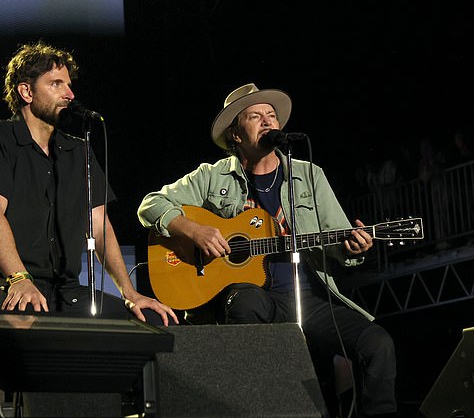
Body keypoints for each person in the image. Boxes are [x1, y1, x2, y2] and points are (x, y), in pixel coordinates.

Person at [137, 84, 396, 416]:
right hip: (253, 297)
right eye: (255, 116)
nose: (267, 121)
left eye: (271, 115)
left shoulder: (309, 175)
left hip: (310, 299)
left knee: (378, 345)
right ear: (235, 135)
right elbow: (150, 205)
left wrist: (355, 247)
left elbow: (338, 241)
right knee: (245, 303)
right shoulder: (213, 176)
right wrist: (193, 229)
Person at [0, 42, 177, 326]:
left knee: (150, 320)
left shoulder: (78, 151)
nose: (69, 94)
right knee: (27, 313)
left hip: (62, 290)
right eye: (56, 84)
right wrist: (20, 279)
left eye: (68, 85)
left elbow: (99, 225)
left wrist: (130, 293)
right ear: (26, 91)